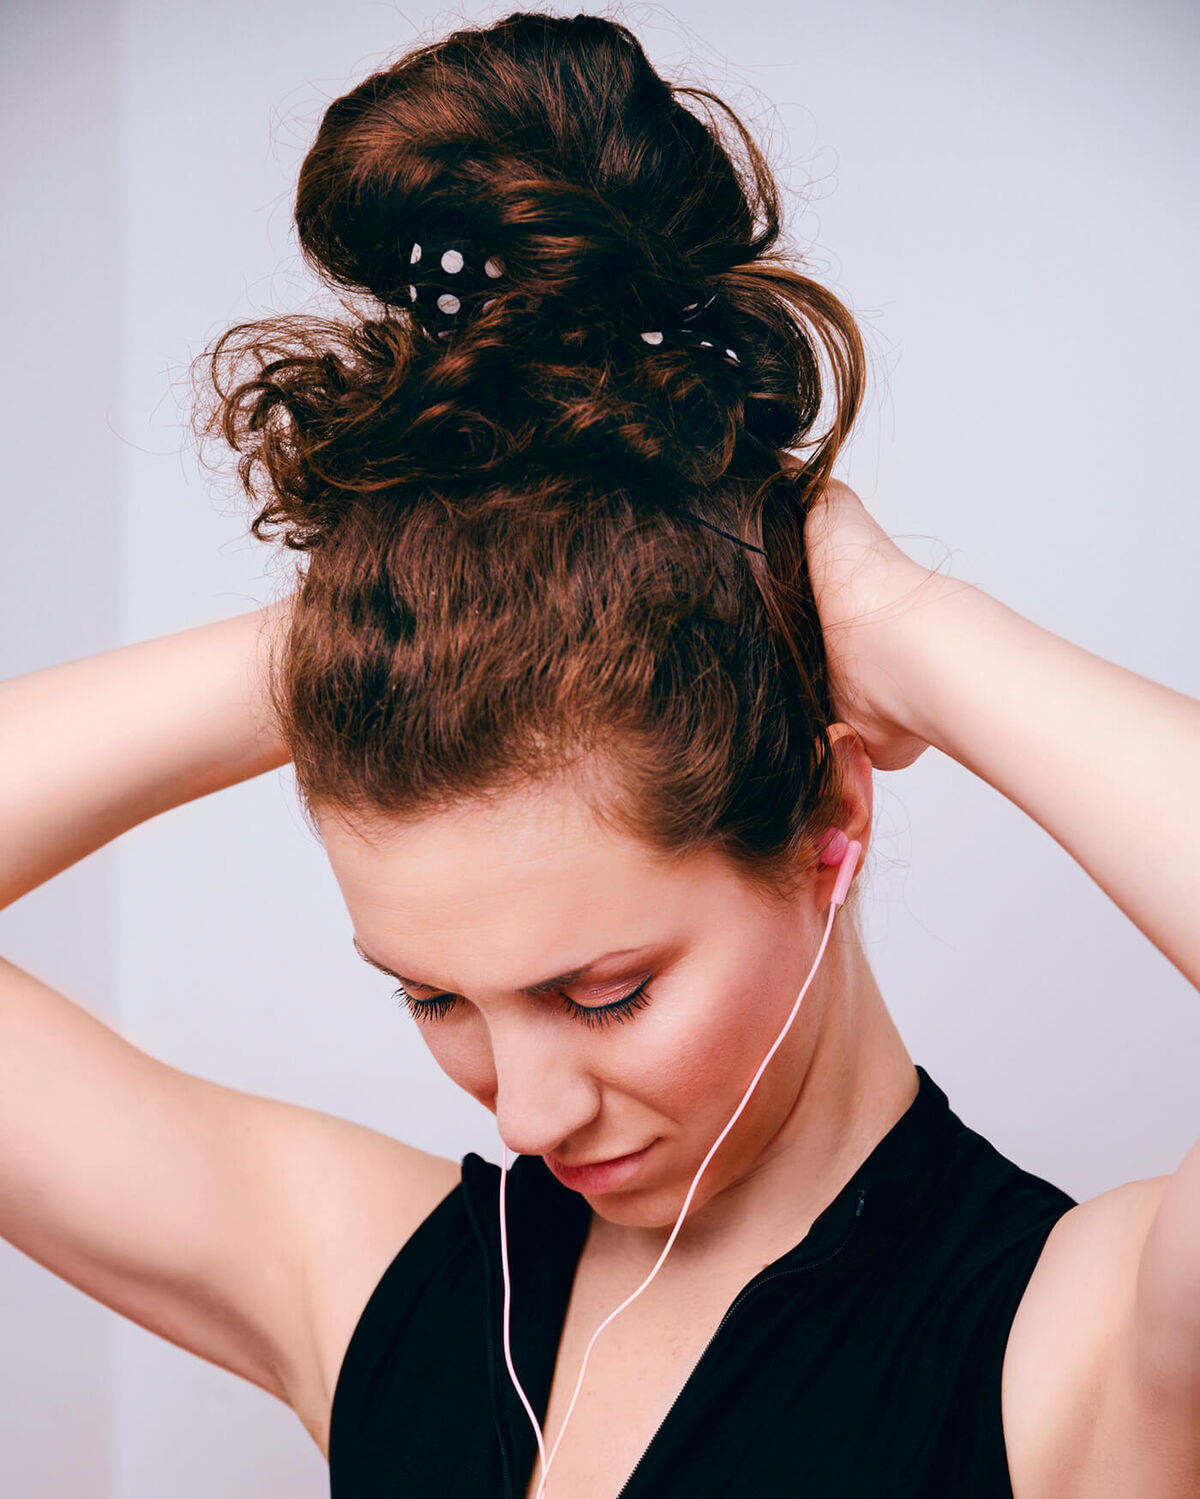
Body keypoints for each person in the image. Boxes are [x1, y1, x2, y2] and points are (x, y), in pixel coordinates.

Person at [1, 10, 1197, 1499]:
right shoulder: (378, 1292)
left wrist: (902, 627)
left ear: (831, 821)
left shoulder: (1075, 1353)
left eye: (604, 994)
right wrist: (371, 622)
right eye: (436, 999)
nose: (526, 1111)